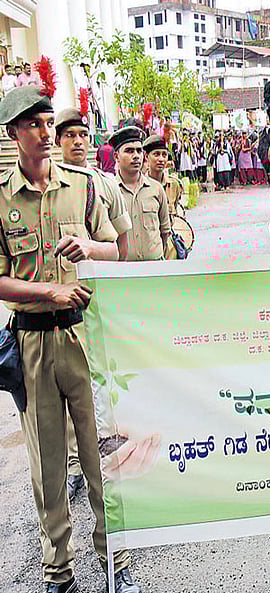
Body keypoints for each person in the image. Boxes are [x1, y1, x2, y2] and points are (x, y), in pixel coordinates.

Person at [0, 86, 142, 593]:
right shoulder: (2, 198)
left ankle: (117, 562)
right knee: (48, 468)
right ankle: (57, 573)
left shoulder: (82, 189)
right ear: (15, 136)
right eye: (30, 123)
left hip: (86, 340)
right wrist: (46, 294)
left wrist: (90, 249)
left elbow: (117, 248)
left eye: (44, 119)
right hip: (33, 343)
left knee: (103, 456)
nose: (42, 130)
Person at [53, 107, 133, 498]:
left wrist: (124, 284)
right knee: (66, 386)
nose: (78, 141)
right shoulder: (48, 188)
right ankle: (73, 463)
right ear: (59, 143)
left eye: (83, 134)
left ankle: (106, 445)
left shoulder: (102, 185)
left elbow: (119, 243)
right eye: (69, 135)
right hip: (58, 307)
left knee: (102, 376)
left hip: (98, 299)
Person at [111, 126, 171, 261]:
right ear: (116, 156)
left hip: (154, 267)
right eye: (129, 151)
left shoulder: (156, 189)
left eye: (139, 151)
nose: (136, 156)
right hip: (123, 270)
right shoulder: (110, 190)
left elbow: (164, 231)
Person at [144, 134, 185, 221]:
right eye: (156, 154)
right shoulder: (140, 186)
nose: (161, 159)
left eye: (164, 155)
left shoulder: (174, 185)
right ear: (146, 156)